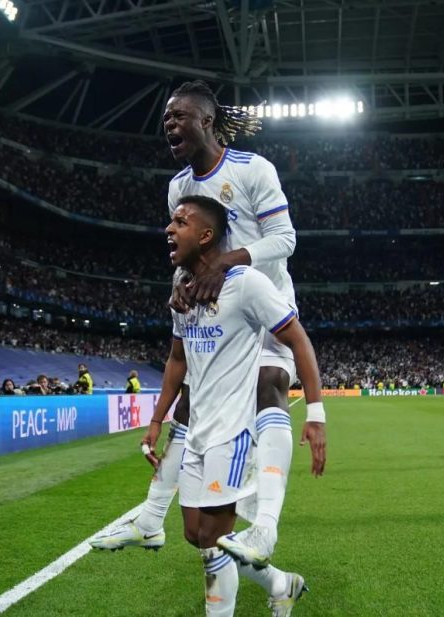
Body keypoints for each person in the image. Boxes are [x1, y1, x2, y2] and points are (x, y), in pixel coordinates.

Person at [91, 80, 325, 563]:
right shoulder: (178, 187)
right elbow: (185, 252)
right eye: (166, 118)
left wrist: (227, 263)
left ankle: (264, 529)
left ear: (206, 121)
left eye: (178, 116)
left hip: (264, 302)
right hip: (214, 314)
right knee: (189, 406)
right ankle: (150, 519)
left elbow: (285, 239)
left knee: (269, 385)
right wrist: (183, 280)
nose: (169, 124)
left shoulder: (252, 169)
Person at [108, 196, 320, 615]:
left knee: (213, 540)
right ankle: (281, 583)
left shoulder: (246, 284)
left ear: (206, 236)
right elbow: (177, 359)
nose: (169, 229)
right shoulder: (181, 289)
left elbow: (297, 338)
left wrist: (317, 413)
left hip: (233, 433)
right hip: (197, 434)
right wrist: (157, 420)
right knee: (195, 534)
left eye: (180, 223)